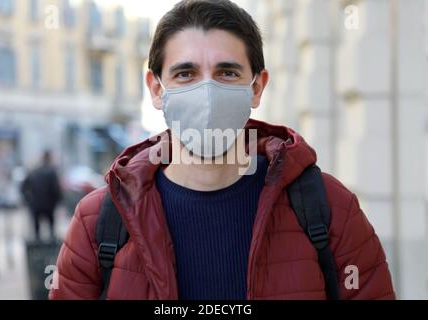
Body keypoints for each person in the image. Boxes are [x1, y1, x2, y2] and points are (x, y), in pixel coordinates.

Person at [50, 0, 395, 300]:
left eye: (226, 73)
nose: (208, 93)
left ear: (256, 88)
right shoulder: (99, 222)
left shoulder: (330, 209)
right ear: (156, 89)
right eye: (186, 73)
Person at [21, 151, 62, 241]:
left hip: (35, 205)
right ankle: (50, 250)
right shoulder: (52, 172)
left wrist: (28, 200)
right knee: (51, 230)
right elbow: (56, 189)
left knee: (37, 232)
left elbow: (23, 187)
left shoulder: (33, 171)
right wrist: (57, 201)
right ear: (49, 158)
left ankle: (37, 248)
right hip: (49, 205)